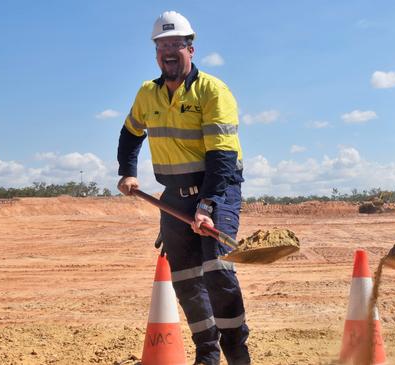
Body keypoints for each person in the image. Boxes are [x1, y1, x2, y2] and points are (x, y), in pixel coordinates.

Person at [116, 11, 250, 365]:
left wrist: (207, 205)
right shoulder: (148, 93)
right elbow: (131, 134)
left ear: (191, 48)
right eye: (162, 45)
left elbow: (222, 155)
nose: (169, 51)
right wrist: (128, 171)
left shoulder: (212, 91)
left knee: (217, 271)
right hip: (173, 197)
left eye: (176, 44)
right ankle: (207, 354)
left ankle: (237, 352)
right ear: (156, 52)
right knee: (186, 278)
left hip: (217, 190)